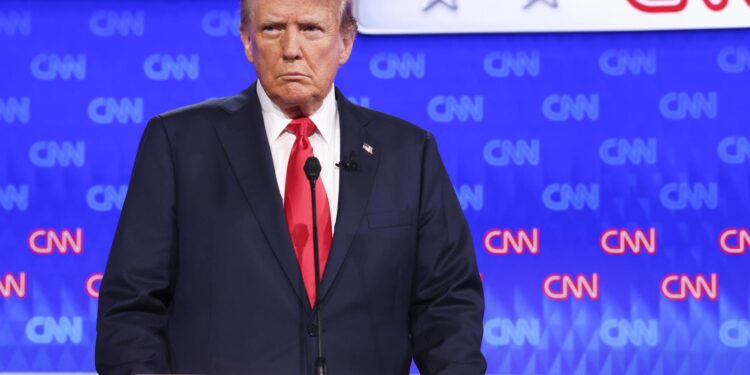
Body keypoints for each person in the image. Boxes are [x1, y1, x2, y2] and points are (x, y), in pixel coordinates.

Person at [95, 0, 486, 373]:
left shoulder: (408, 153)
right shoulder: (180, 145)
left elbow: (447, 305)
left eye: (311, 29)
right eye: (272, 28)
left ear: (345, 42)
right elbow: (130, 309)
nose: (291, 49)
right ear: (247, 40)